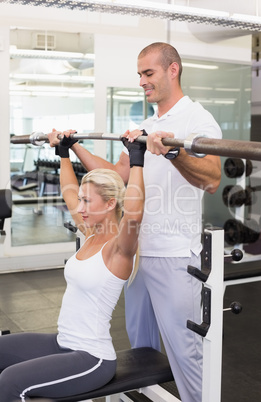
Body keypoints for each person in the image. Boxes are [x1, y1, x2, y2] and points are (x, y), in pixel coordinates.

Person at [48, 42, 222, 402]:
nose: (142, 81)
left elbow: (212, 179)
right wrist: (74, 145)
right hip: (135, 253)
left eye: (148, 73)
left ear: (172, 70)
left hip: (174, 254)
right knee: (141, 351)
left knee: (185, 352)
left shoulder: (198, 119)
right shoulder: (148, 124)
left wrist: (174, 151)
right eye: (139, 75)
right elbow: (117, 173)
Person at [0, 133, 145, 401]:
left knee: (10, 382)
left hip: (92, 358)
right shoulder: (90, 233)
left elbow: (134, 212)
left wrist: (138, 159)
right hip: (62, 343)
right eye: (82, 201)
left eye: (87, 202)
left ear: (111, 203)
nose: (80, 208)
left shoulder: (118, 249)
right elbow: (69, 193)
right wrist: (64, 153)